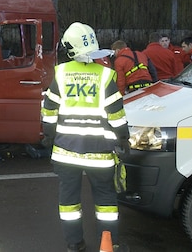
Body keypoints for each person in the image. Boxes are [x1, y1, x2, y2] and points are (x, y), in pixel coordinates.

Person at [41, 22, 130, 252]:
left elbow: (49, 109)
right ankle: (108, 244)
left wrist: (48, 134)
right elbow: (116, 115)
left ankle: (74, 244)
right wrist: (123, 137)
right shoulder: (106, 75)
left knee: (69, 202)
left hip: (65, 152)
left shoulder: (61, 73)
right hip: (99, 154)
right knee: (106, 202)